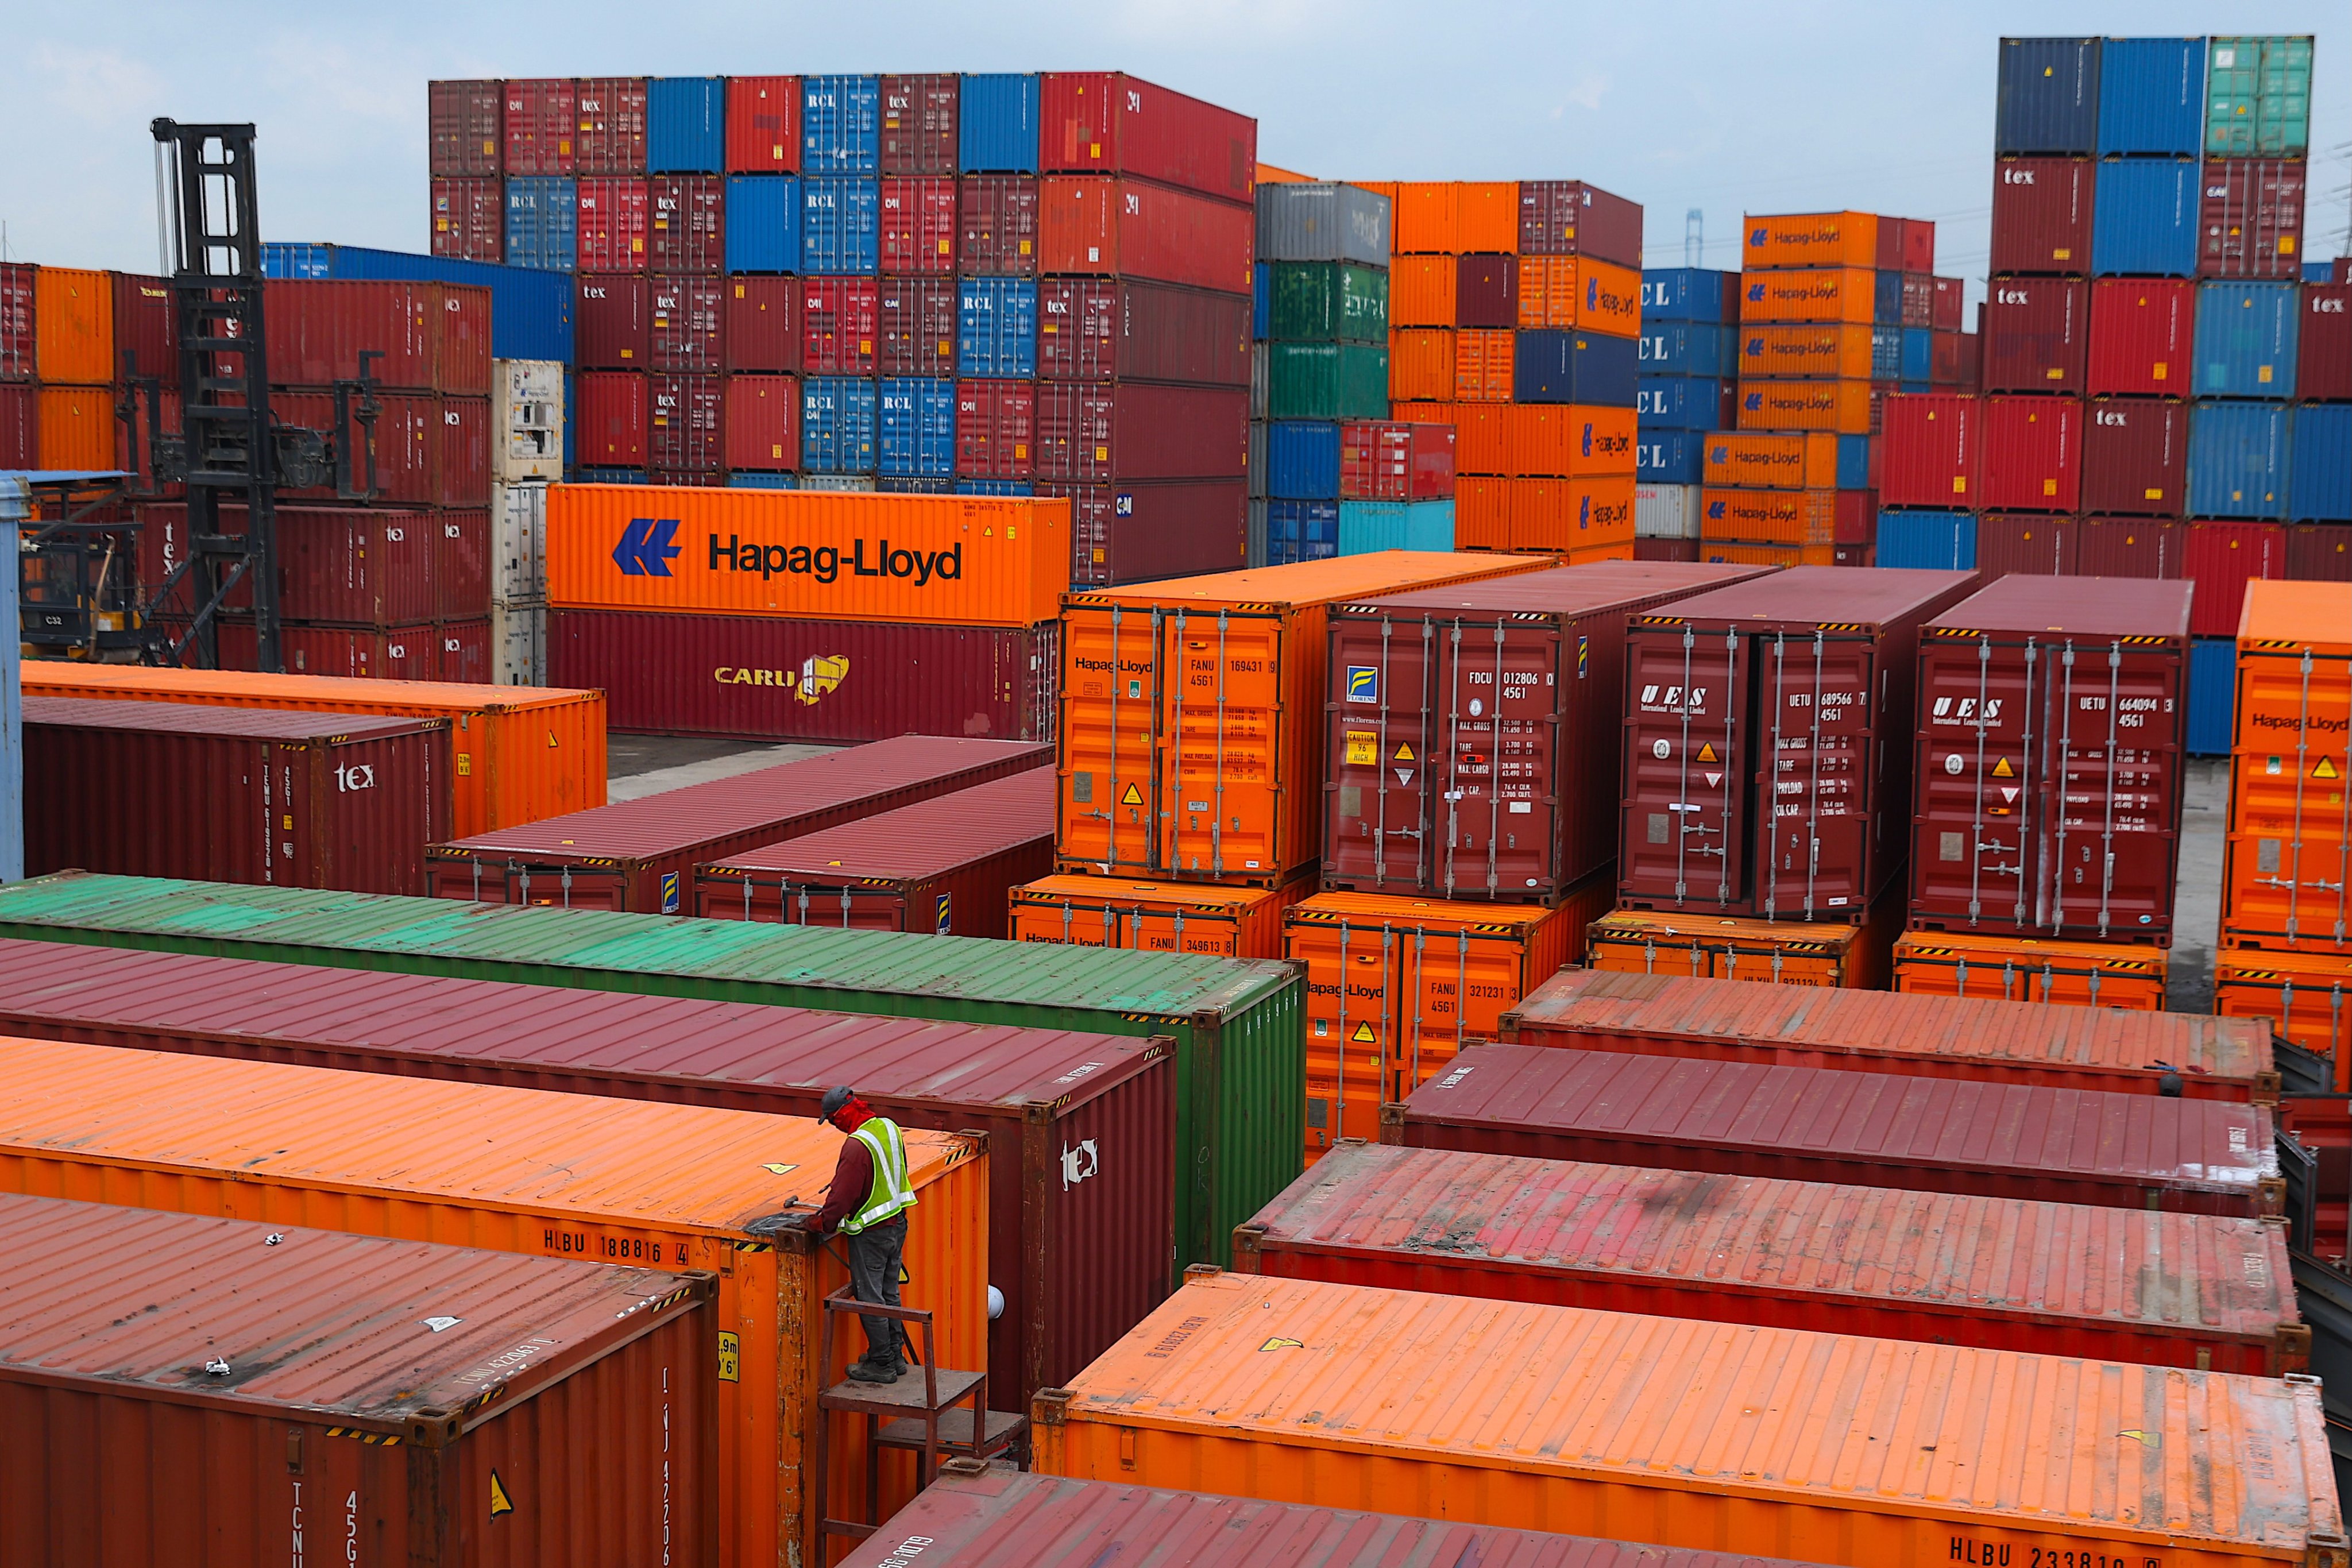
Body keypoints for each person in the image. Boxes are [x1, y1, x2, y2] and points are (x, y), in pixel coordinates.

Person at [811, 1085, 918, 1384]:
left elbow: (844, 1197)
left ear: (843, 1114)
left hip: (872, 1233)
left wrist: (822, 1222)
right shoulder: (887, 1126)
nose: (834, 1126)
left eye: (833, 1120)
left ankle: (881, 1364)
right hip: (897, 1224)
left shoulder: (856, 1146)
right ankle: (894, 1356)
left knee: (870, 1297)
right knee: (889, 1293)